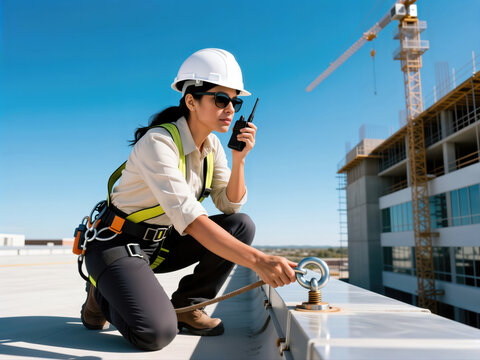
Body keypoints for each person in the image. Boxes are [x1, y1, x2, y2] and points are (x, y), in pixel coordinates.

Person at [80, 48, 297, 351]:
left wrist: (240, 160)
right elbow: (192, 219)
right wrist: (259, 261)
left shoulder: (214, 148)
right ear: (191, 100)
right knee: (155, 333)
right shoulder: (158, 142)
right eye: (221, 99)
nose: (231, 108)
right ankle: (99, 292)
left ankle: (189, 305)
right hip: (116, 243)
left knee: (240, 224)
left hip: (163, 243)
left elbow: (229, 206)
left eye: (236, 101)